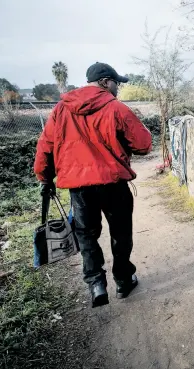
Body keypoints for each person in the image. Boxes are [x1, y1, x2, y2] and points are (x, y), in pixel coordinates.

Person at [34, 62, 152, 308]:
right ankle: (123, 280)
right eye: (115, 83)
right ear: (104, 82)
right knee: (121, 233)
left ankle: (96, 284)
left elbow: (46, 146)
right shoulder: (116, 108)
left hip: (80, 189)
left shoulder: (60, 110)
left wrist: (44, 176)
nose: (117, 88)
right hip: (113, 183)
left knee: (86, 235)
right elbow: (143, 145)